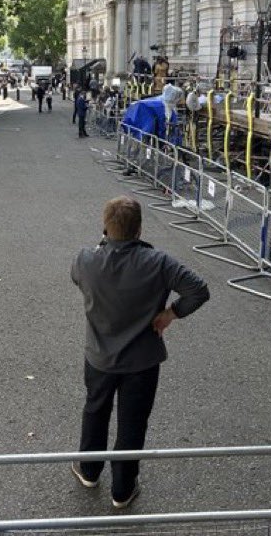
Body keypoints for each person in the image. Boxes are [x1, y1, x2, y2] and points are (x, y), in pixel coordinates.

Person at [70, 197, 210, 508]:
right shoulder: (158, 262)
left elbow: (79, 279)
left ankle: (89, 469)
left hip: (100, 355)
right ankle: (122, 488)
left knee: (95, 410)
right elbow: (198, 290)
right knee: (133, 422)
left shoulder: (85, 260)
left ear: (105, 227)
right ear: (139, 229)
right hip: (142, 360)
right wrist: (171, 313)